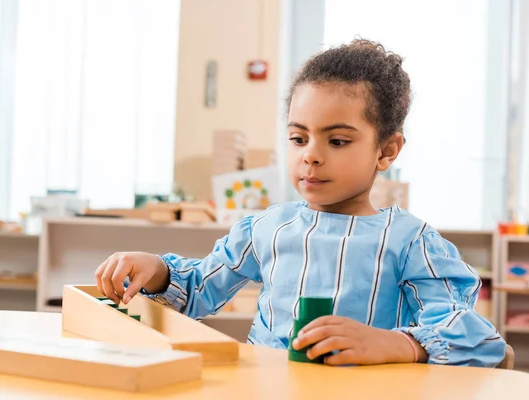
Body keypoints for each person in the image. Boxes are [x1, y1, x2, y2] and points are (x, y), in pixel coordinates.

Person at [95, 38, 506, 367]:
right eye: (298, 138)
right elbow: (198, 289)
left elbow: (475, 337)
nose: (311, 154)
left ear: (387, 150)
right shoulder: (267, 228)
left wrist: (396, 344)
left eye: (338, 140)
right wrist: (157, 271)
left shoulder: (409, 240)